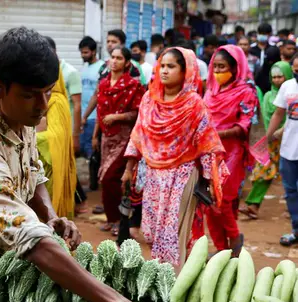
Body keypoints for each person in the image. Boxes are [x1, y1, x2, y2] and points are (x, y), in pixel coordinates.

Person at [0, 27, 183, 302]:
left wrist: (49, 215)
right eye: (30, 94)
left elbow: (33, 172)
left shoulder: (19, 117)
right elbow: (31, 240)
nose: (42, 105)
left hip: (7, 264)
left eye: (48, 91)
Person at [123, 47, 226, 266]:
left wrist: (209, 180)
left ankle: (172, 286)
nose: (164, 71)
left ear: (185, 70)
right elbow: (138, 135)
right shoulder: (149, 99)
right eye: (162, 66)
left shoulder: (195, 105)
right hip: (153, 175)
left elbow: (207, 143)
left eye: (171, 66)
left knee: (174, 234)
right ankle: (160, 276)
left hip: (183, 175)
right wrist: (128, 169)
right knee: (152, 234)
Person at [203, 45, 257, 255]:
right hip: (209, 151)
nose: (217, 71)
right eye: (215, 66)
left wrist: (219, 134)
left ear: (234, 68)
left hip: (232, 152)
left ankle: (234, 237)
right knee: (208, 202)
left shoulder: (246, 91)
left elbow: (246, 124)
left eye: (222, 67)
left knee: (222, 199)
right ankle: (220, 248)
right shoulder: (211, 90)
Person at [93, 47, 145, 236]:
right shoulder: (104, 84)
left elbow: (137, 113)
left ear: (127, 63)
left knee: (111, 178)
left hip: (125, 138)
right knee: (106, 179)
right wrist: (94, 136)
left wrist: (117, 117)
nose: (114, 61)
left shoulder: (133, 86)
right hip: (106, 137)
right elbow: (100, 113)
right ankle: (111, 218)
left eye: (119, 58)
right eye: (112, 57)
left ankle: (120, 219)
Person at [241, 61, 292, 220]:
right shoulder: (269, 95)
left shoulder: (292, 94)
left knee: (291, 176)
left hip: (290, 139)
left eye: (280, 76)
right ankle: (253, 205)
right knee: (264, 170)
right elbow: (264, 115)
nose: (277, 80)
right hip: (271, 139)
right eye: (274, 77)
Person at [36, 67, 77, 218]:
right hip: (40, 161)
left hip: (50, 164)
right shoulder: (41, 96)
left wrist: (29, 138)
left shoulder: (57, 101)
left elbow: (56, 135)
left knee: (48, 211)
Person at [266, 55, 298, 246]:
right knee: (291, 191)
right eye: (296, 69)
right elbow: (279, 114)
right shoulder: (287, 87)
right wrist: (268, 137)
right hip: (289, 149)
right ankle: (296, 228)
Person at [44, 36, 82, 140]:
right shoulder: (42, 71)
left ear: (54, 51)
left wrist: (76, 135)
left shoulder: (71, 72)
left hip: (65, 126)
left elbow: (77, 105)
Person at [77, 36, 102, 159]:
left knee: (90, 150)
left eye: (86, 52)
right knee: (82, 148)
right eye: (81, 52)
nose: (83, 55)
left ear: (93, 52)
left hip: (94, 117)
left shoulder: (102, 68)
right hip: (83, 116)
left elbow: (97, 94)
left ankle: (92, 176)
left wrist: (86, 116)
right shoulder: (84, 69)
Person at [251, 23, 281, 93]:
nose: (262, 35)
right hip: (254, 80)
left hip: (269, 80)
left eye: (265, 34)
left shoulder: (274, 48)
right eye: (261, 33)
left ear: (269, 34)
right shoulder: (251, 48)